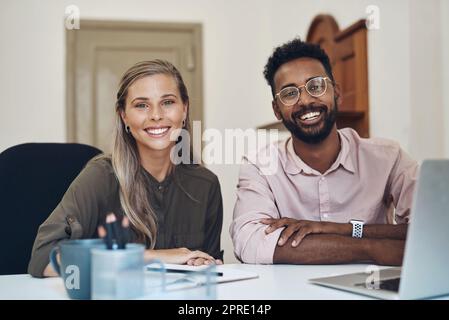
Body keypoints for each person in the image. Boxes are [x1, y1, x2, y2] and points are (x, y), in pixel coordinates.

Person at [230, 38, 418, 266]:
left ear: (336, 93)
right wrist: (372, 248)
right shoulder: (259, 165)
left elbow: (431, 230)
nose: (306, 100)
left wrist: (342, 229)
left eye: (316, 86)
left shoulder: (387, 157)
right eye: (290, 94)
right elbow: (249, 241)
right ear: (277, 110)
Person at [29, 60, 223, 277]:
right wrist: (152, 256)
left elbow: (211, 266)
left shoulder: (206, 185)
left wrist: (201, 262)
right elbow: (43, 257)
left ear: (184, 109)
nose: (156, 115)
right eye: (141, 105)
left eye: (167, 102)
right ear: (124, 116)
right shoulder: (101, 177)